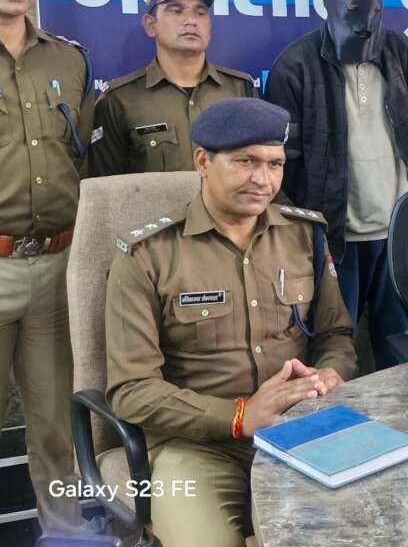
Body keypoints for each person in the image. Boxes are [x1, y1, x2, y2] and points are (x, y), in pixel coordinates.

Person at [105, 98, 357, 547]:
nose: (263, 180)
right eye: (246, 162)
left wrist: (331, 373)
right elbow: (131, 390)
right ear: (203, 162)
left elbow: (335, 334)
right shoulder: (148, 256)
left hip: (301, 429)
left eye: (275, 164)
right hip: (196, 447)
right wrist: (240, 417)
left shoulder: (305, 236)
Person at [264, 0, 408, 370]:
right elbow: (283, 162)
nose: (365, 20)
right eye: (353, 7)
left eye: (375, 9)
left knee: (401, 347)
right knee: (334, 349)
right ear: (329, 2)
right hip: (334, 234)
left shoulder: (399, 53)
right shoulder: (295, 66)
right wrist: (306, 232)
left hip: (398, 231)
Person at [0, 0, 94, 533]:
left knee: (57, 423)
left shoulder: (68, 60)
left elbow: (80, 158)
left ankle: (65, 534)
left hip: (57, 267)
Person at [86, 0, 257, 176]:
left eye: (200, 12)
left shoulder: (241, 89)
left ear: (210, 26)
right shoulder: (119, 100)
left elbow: (261, 167)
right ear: (151, 25)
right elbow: (106, 186)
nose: (191, 20)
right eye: (176, 11)